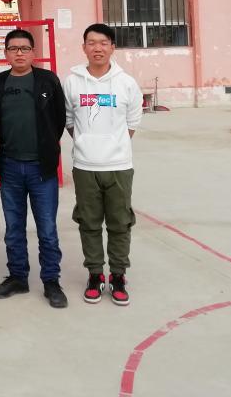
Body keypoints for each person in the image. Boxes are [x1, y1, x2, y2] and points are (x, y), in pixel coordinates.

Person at [0, 28, 68, 309]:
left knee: (47, 229)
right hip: (9, 167)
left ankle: (51, 280)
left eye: (24, 48)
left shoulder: (47, 80)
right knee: (13, 228)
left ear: (33, 52)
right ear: (5, 53)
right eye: (13, 49)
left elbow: (58, 119)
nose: (19, 53)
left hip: (41, 168)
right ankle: (18, 276)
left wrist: (46, 147)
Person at [63, 23, 143, 306]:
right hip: (85, 167)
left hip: (119, 166)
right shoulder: (72, 81)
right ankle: (95, 274)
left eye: (103, 43)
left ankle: (118, 275)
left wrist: (112, 145)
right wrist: (87, 143)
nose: (97, 48)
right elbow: (69, 120)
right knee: (89, 223)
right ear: (84, 47)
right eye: (92, 43)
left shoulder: (126, 83)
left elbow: (132, 122)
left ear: (112, 47)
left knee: (120, 223)